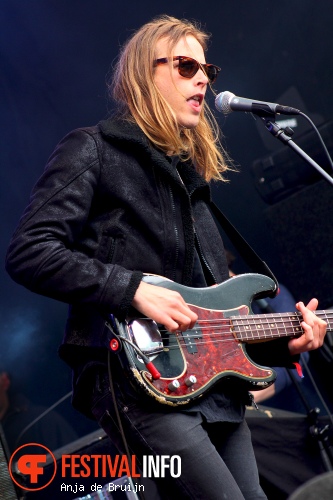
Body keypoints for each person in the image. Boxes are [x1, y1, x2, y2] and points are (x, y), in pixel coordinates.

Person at [5, 15, 327, 500]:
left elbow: (217, 322)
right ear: (143, 74)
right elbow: (30, 250)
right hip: (137, 382)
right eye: (184, 66)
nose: (202, 78)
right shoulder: (93, 149)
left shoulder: (193, 182)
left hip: (215, 395)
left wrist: (287, 346)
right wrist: (132, 289)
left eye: (207, 70)